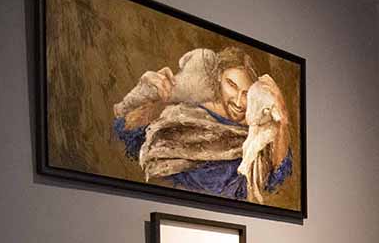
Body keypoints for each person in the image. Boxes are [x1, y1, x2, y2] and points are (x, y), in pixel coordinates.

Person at [112, 46, 292, 201]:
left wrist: (282, 118)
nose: (238, 102)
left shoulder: (258, 132)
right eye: (232, 85)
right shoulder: (186, 113)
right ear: (219, 76)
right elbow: (133, 138)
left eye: (246, 93)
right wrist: (148, 95)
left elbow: (275, 179)